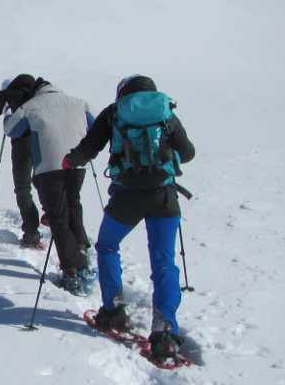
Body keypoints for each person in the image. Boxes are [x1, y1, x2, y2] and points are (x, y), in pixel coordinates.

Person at [63, 75, 195, 362]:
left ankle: (114, 310)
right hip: (164, 198)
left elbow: (89, 148)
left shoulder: (114, 112)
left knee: (108, 246)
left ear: (122, 92)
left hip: (126, 198)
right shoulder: (165, 113)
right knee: (164, 262)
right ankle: (164, 331)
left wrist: (70, 160)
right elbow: (188, 154)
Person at [4, 77, 94, 293]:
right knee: (73, 205)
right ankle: (81, 252)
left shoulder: (31, 106)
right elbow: (96, 126)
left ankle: (71, 269)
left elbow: (11, 129)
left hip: (49, 166)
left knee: (58, 218)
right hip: (77, 164)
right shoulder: (79, 103)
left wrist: (8, 111)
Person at [0, 74, 43, 247]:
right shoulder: (39, 93)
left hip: (22, 143)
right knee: (44, 182)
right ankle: (57, 220)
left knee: (23, 187)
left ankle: (32, 231)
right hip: (44, 140)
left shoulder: (8, 94)